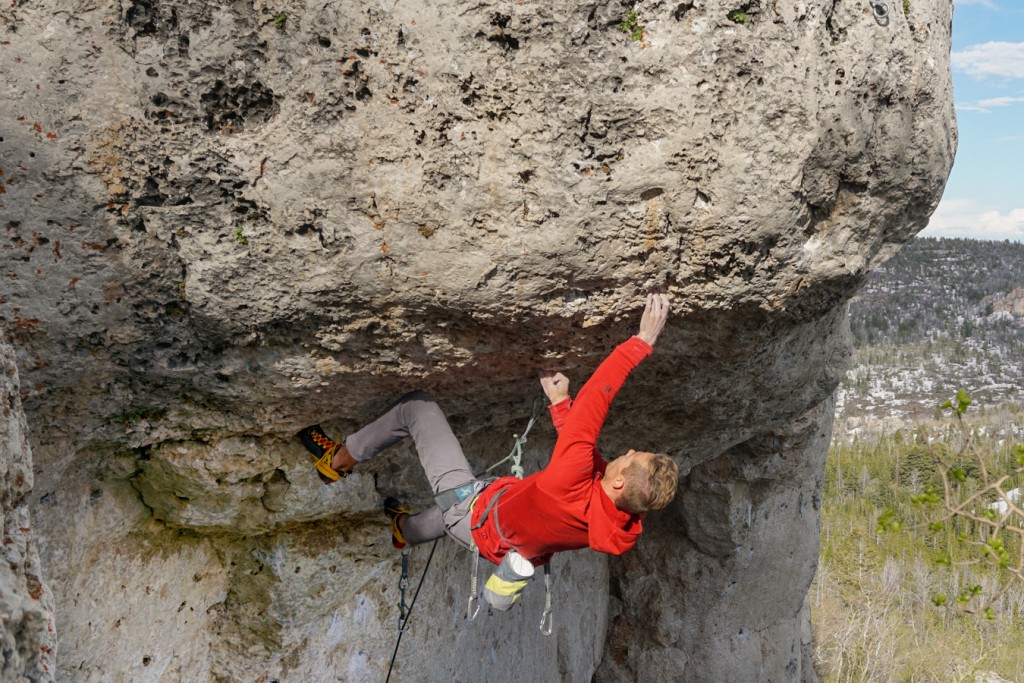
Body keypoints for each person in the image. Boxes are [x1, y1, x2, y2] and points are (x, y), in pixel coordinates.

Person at [298, 293, 678, 597]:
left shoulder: (572, 481)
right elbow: (587, 467)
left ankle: (336, 461)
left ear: (618, 485)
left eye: (632, 458)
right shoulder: (623, 524)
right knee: (451, 514)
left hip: (477, 510)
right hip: (498, 543)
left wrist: (640, 343)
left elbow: (596, 400)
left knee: (417, 407)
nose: (627, 452)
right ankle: (403, 531)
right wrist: (561, 407)